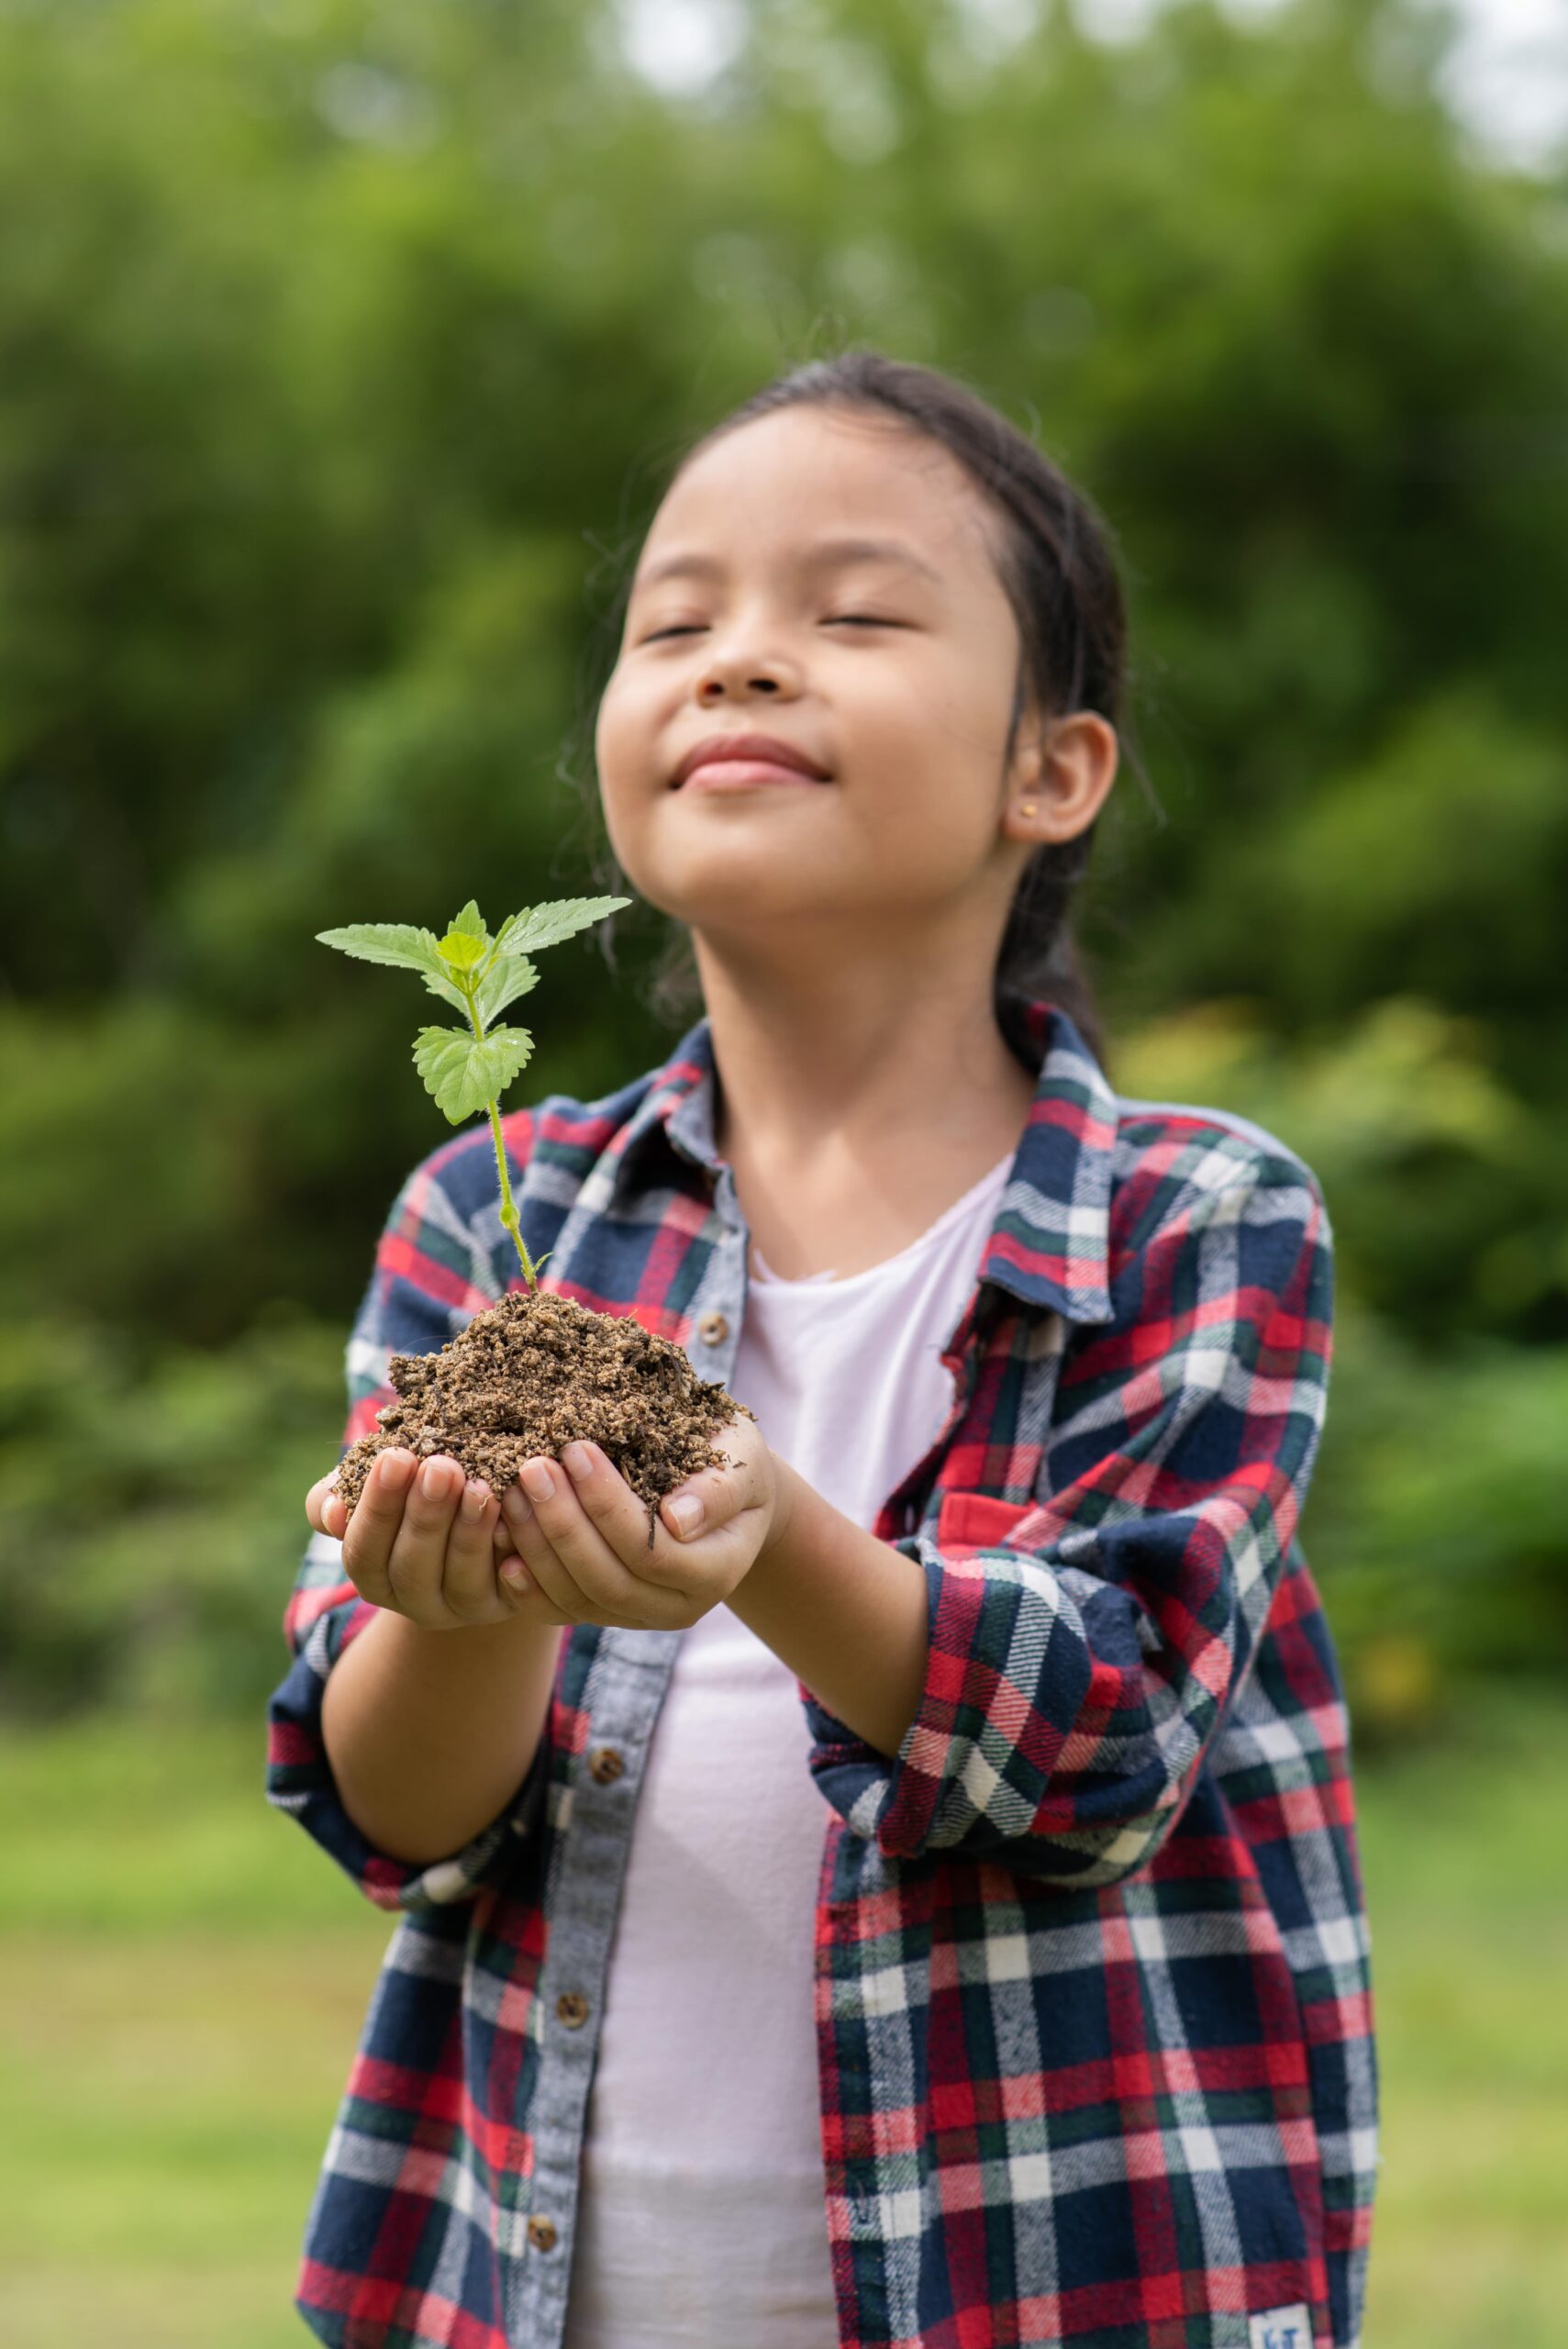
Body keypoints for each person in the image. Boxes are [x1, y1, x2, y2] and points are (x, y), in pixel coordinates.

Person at [269, 348, 1376, 2349]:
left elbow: (1104, 1738)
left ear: (1056, 769)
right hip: (539, 2291)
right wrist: (455, 1593)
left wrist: (759, 1525)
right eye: (676, 621)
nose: (741, 660)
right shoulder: (496, 1216)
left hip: (1061, 2286)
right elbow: (396, 1808)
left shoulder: (1194, 1218)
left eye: (852, 614)